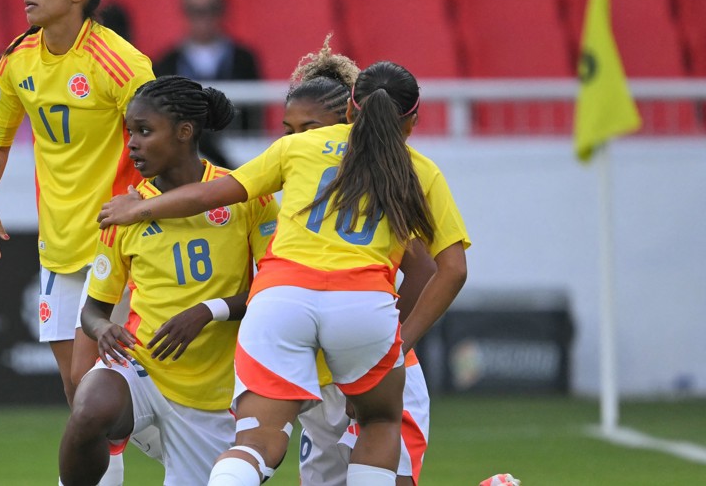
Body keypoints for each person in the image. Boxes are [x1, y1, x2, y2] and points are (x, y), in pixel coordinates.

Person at [98, 60, 470, 486]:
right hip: (362, 308)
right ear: (414, 118)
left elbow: (213, 192)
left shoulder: (296, 151)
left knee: (258, 440)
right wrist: (399, 341)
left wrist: (139, 207)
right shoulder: (415, 168)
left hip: (282, 300)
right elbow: (452, 269)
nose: (296, 134)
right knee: (379, 425)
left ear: (349, 109)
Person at [58, 76, 279, 485]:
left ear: (184, 132)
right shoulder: (124, 211)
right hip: (140, 368)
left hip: (211, 395)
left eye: (144, 131)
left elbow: (278, 290)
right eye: (130, 132)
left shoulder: (246, 198)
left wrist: (207, 312)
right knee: (89, 410)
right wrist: (104, 327)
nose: (132, 144)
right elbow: (93, 309)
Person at [0, 0, 153, 418]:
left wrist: (145, 205)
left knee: (89, 384)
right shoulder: (17, 61)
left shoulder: (122, 65)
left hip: (117, 242)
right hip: (59, 245)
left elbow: (165, 144)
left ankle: (193, 453)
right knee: (77, 398)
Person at [284, 38, 437, 486]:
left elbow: (425, 271)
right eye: (288, 131)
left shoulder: (381, 186)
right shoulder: (290, 187)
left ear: (350, 122)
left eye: (310, 129)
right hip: (319, 378)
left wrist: (386, 356)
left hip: (376, 367)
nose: (298, 142)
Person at [156, 0, 262, 166]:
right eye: (195, 11)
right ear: (185, 13)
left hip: (237, 153)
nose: (204, 18)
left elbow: (254, 114)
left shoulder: (244, 58)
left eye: (211, 9)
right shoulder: (166, 62)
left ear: (223, 11)